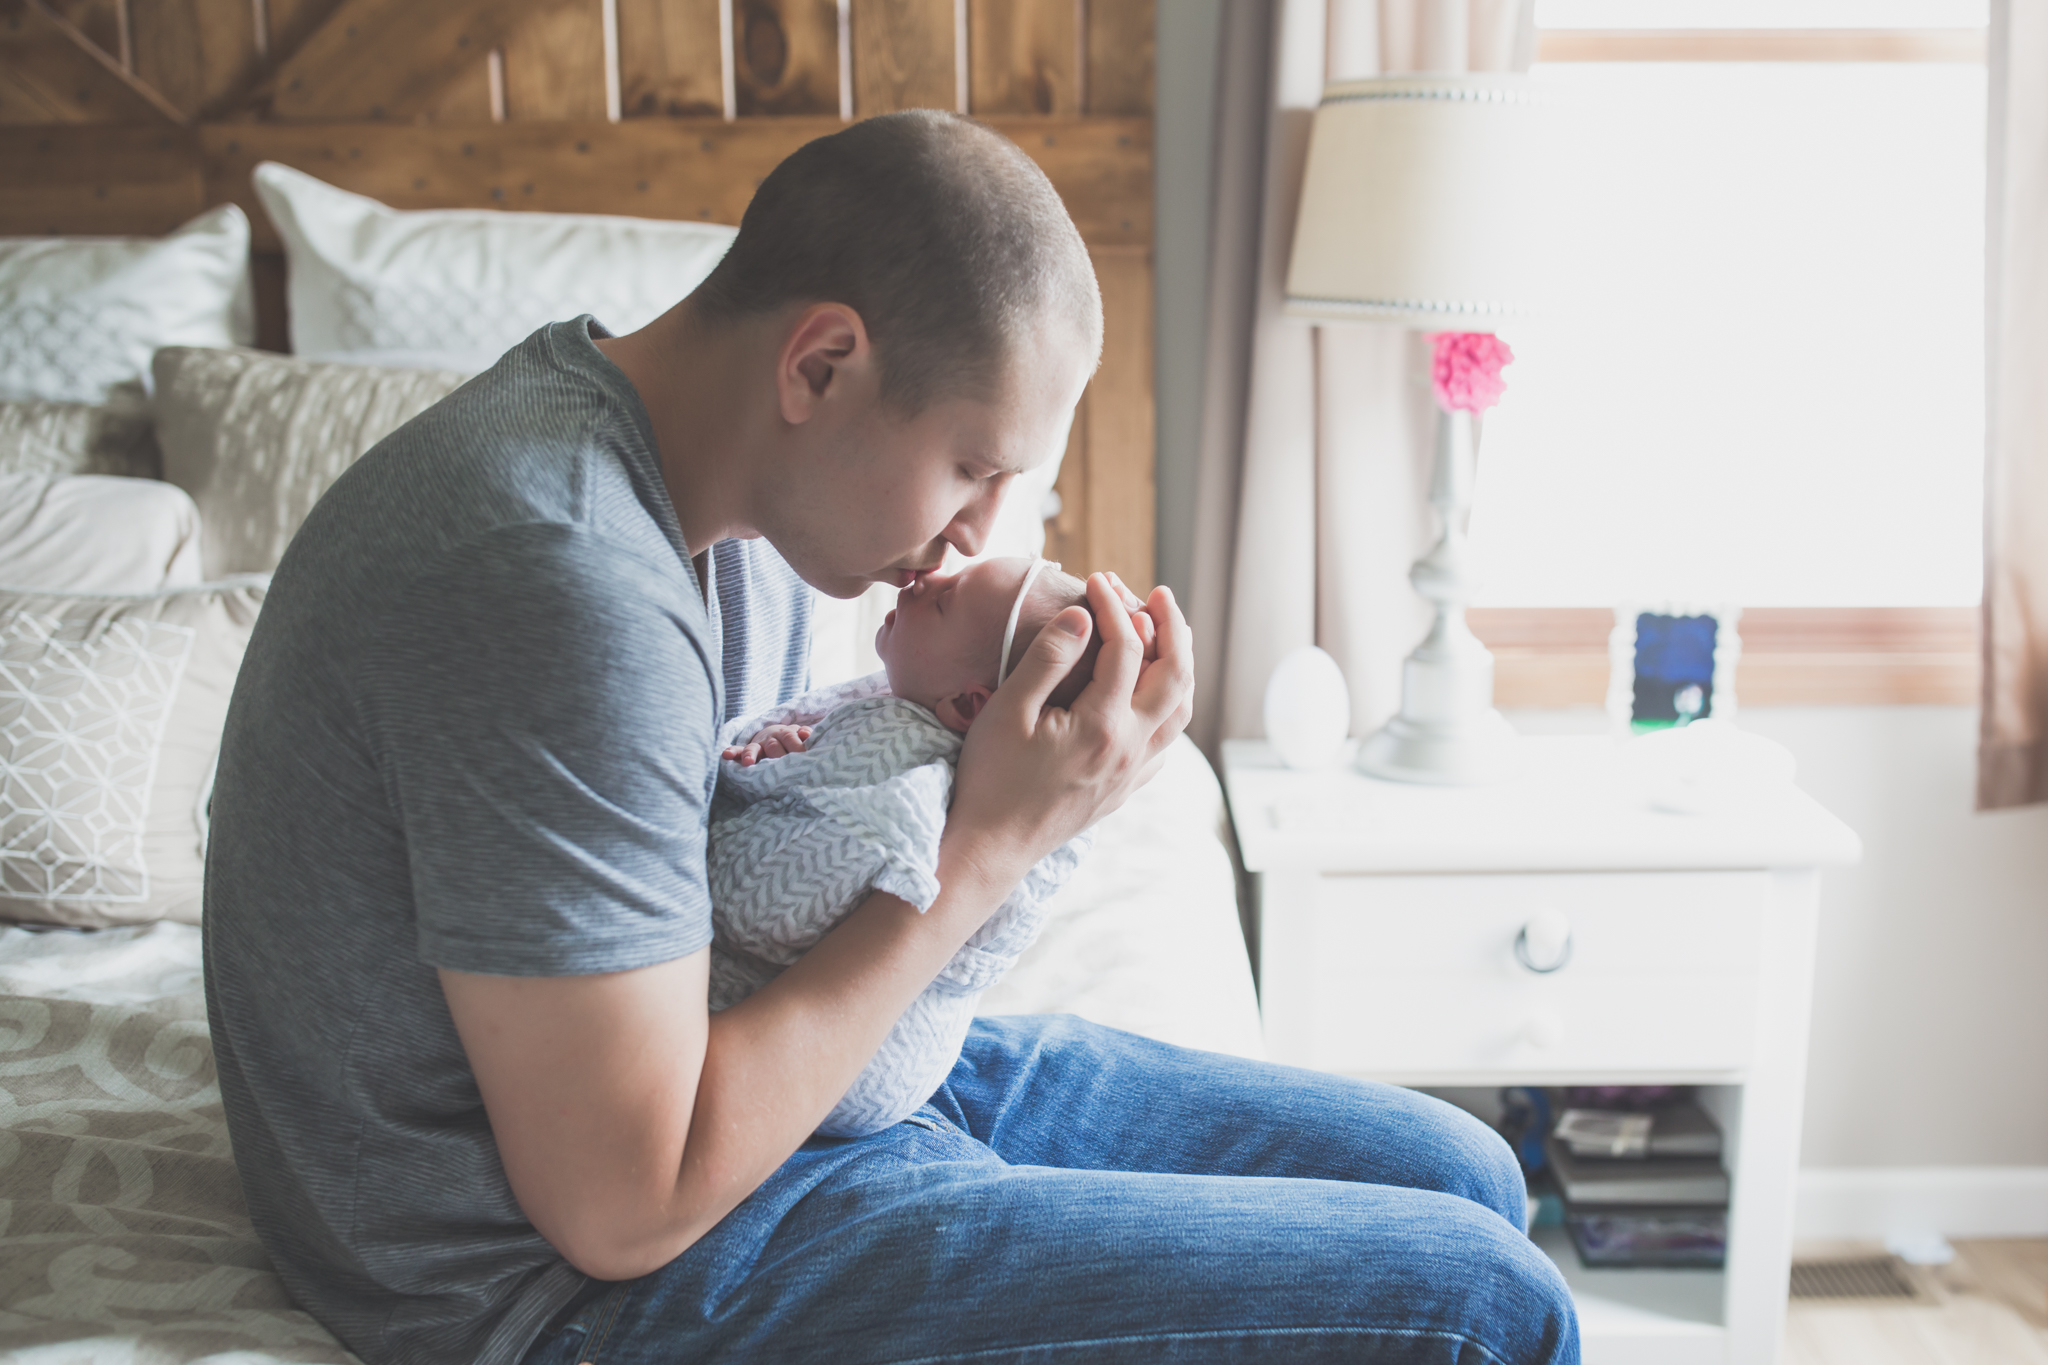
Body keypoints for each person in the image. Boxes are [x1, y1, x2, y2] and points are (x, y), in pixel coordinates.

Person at [203, 109, 1579, 1365]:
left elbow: (818, 814)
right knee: (1486, 1303)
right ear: (823, 361)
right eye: (975, 466)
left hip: (765, 1077)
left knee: (1461, 1170)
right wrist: (989, 847)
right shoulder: (558, 578)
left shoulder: (725, 500)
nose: (979, 529)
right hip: (563, 1275)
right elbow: (621, 1206)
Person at [707, 557, 1106, 1137]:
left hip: (835, 1067)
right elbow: (828, 764)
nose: (928, 577)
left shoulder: (909, 770)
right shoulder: (910, 721)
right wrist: (794, 750)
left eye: (945, 601)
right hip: (827, 1067)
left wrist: (746, 789)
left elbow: (758, 902)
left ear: (970, 706)